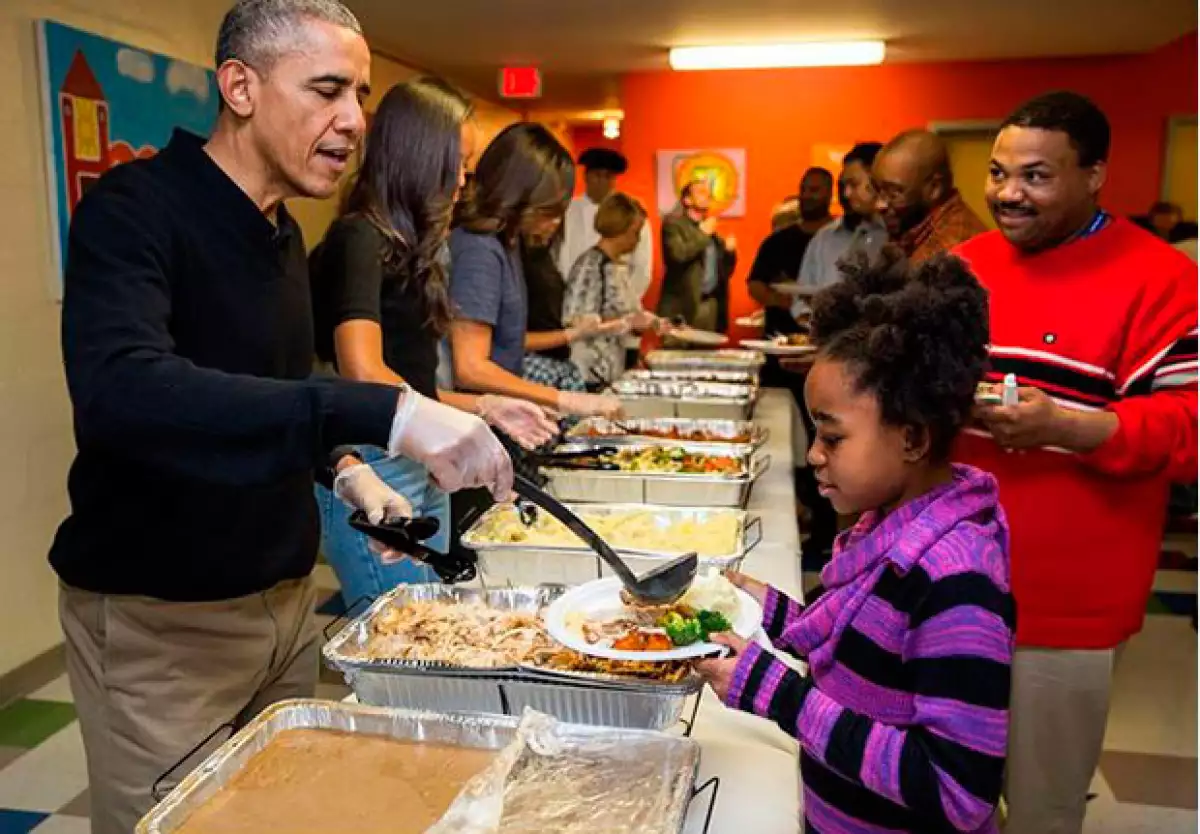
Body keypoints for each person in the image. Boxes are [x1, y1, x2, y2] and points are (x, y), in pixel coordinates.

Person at [51, 3, 514, 833]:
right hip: (164, 622)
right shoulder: (135, 209)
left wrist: (343, 464)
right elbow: (125, 389)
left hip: (285, 604)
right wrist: (389, 412)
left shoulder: (280, 234)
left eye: (362, 96)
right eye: (328, 89)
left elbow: (273, 382)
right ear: (240, 86)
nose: (354, 121)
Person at [696, 251, 1014, 833]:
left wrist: (781, 698)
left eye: (833, 436)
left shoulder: (957, 582)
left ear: (912, 438)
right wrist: (774, 612)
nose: (815, 453)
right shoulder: (885, 524)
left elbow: (959, 793)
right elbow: (860, 650)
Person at [954, 91, 1198, 834]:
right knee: (947, 790)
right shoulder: (963, 266)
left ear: (1094, 175)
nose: (1007, 194)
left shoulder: (1162, 278)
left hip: (1067, 603)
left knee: (1042, 803)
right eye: (998, 174)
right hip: (951, 581)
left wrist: (1065, 425)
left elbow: (1188, 428)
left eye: (1035, 177)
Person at [309, 77, 557, 606]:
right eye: (458, 163)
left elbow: (417, 389)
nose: (465, 180)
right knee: (402, 639)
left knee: (431, 618)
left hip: (419, 459)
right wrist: (453, 423)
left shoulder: (413, 250)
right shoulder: (359, 237)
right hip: (373, 464)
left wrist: (487, 407)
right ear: (421, 157)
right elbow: (362, 370)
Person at [448, 121, 621, 419]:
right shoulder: (480, 249)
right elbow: (470, 367)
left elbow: (509, 342)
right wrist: (561, 399)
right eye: (548, 211)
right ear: (518, 196)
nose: (554, 223)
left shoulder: (508, 243)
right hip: (471, 420)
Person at [563, 192, 659, 384]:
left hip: (612, 366)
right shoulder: (590, 266)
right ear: (619, 230)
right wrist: (628, 323)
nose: (638, 240)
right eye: (635, 233)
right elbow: (576, 321)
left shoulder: (617, 267)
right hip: (590, 371)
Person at [519, 228, 625, 391]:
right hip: (536, 368)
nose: (554, 224)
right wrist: (574, 333)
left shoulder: (542, 257)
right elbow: (515, 340)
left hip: (557, 362)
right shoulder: (518, 260)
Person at [873, 130, 988, 264]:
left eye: (894, 194)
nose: (879, 204)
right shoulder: (916, 229)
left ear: (934, 188)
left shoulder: (949, 249)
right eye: (877, 190)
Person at [556, 147, 654, 302]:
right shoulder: (568, 211)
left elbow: (642, 267)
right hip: (573, 296)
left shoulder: (632, 213)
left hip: (619, 300)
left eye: (608, 176)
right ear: (586, 177)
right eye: (597, 175)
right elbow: (561, 256)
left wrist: (624, 301)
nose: (602, 181)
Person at [747, 167, 834, 337]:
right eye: (803, 189)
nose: (807, 195)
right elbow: (755, 284)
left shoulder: (844, 238)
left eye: (814, 190)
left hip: (829, 338)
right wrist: (775, 299)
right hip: (781, 338)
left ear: (830, 194)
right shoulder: (777, 241)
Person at [796, 144, 888, 295]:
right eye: (843, 185)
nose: (846, 194)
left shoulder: (900, 236)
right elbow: (802, 297)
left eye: (854, 184)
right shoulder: (824, 238)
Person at [657, 180, 737, 332]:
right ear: (687, 200)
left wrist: (729, 252)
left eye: (708, 193)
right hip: (681, 309)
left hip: (709, 307)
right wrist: (703, 234)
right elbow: (677, 256)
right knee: (677, 354)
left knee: (707, 355)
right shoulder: (673, 224)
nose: (707, 195)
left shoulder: (712, 232)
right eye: (701, 192)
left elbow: (725, 272)